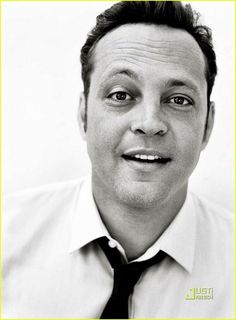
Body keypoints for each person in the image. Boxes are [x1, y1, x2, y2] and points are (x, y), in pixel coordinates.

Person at [2, 1, 233, 318]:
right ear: (84, 114)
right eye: (121, 95)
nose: (150, 123)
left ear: (207, 126)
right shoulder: (7, 238)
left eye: (179, 100)